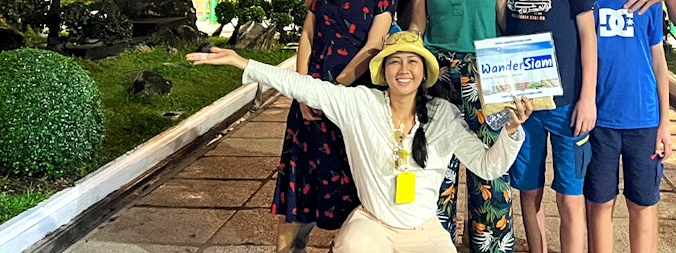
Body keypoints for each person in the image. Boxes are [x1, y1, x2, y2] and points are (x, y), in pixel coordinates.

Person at [187, 32, 533, 253]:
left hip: (424, 228)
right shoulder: (361, 104)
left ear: (424, 72)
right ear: (383, 72)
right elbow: (304, 87)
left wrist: (512, 130)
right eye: (395, 62)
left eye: (413, 61)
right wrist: (243, 62)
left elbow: (489, 166)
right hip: (372, 226)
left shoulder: (443, 115)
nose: (404, 69)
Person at [272, 0, 400, 252]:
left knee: (351, 181)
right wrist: (302, 90)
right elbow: (308, 35)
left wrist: (332, 91)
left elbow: (374, 46)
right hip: (311, 96)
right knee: (300, 180)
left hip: (351, 98)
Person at [407, 0, 513, 252]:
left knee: (490, 168)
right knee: (436, 165)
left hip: (484, 75)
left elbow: (503, 26)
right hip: (436, 73)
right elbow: (418, 22)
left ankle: (491, 245)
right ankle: (434, 244)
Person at [503, 0, 597, 253]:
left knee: (570, 195)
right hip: (524, 104)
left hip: (567, 101)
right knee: (528, 190)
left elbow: (587, 34)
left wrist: (586, 98)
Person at [584, 0, 671, 253]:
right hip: (600, 122)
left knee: (643, 203)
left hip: (644, 120)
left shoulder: (647, 1)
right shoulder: (587, 2)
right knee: (600, 202)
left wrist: (665, 124)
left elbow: (659, 66)